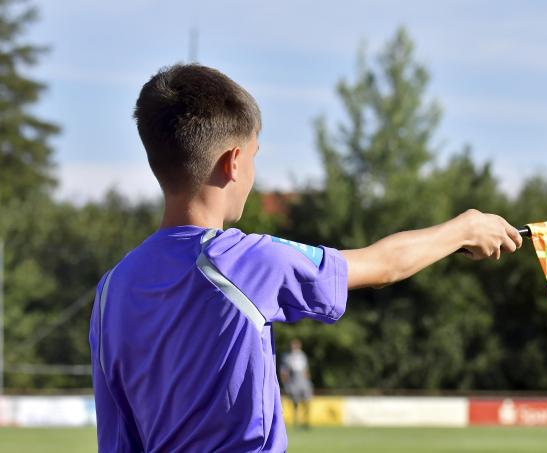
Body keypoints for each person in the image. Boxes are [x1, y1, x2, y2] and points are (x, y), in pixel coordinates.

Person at [88, 63, 523, 452]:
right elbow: (383, 265)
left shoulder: (112, 288)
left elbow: (117, 436)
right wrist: (464, 228)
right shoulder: (240, 262)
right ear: (234, 162)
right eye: (255, 157)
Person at [280, 339, 313, 429]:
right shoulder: (287, 357)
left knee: (307, 402)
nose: (294, 347)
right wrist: (285, 384)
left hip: (304, 383)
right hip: (294, 384)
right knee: (295, 403)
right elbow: (284, 372)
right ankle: (296, 422)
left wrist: (308, 382)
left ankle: (306, 422)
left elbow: (306, 370)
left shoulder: (303, 356)